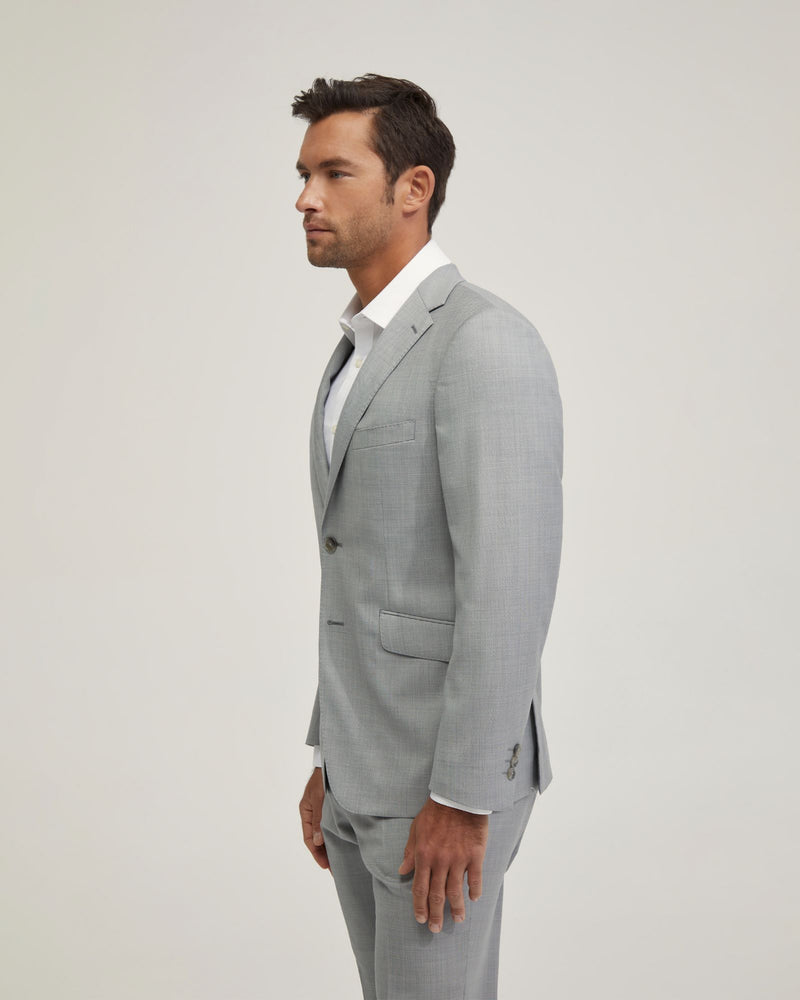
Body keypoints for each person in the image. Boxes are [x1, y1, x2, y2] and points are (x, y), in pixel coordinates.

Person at [293, 74, 563, 1000]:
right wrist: (329, 756)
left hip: (441, 788)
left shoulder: (484, 343)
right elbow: (361, 575)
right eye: (302, 175)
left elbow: (509, 587)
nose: (305, 198)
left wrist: (463, 795)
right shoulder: (357, 349)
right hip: (363, 769)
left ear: (414, 188)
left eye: (334, 174)